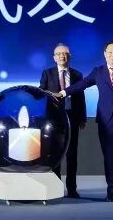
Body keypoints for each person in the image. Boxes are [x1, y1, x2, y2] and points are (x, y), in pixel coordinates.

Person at [59, 40, 113, 202]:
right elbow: (82, 84)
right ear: (104, 55)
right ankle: (111, 192)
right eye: (110, 52)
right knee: (108, 156)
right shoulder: (98, 72)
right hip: (105, 120)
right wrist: (63, 93)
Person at [39, 43, 87, 198]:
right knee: (55, 153)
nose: (62, 56)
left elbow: (81, 97)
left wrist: (83, 118)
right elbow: (41, 94)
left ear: (69, 56)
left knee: (72, 154)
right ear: (54, 57)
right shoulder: (47, 73)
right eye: (59, 54)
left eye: (65, 53)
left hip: (73, 117)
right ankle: (56, 188)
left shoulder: (77, 75)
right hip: (53, 119)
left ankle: (72, 189)